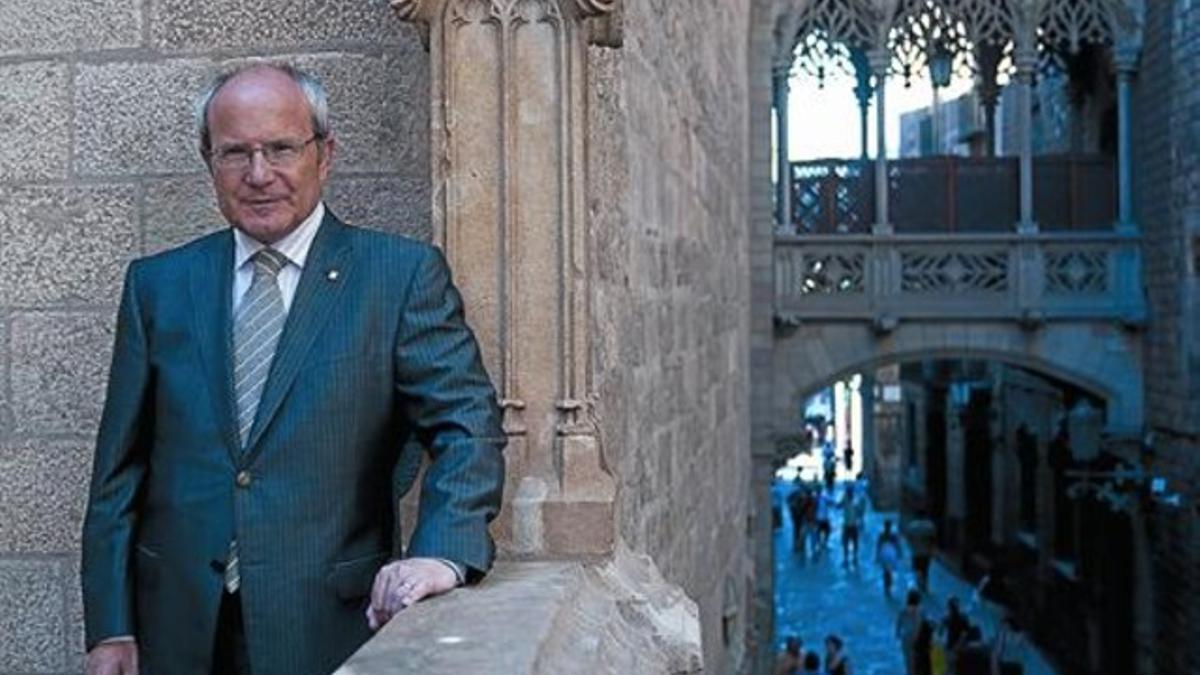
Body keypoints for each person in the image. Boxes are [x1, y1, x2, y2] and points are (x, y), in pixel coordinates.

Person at [81, 63, 506, 675]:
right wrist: (111, 626)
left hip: (326, 626)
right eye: (235, 153)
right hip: (174, 630)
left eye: (281, 148)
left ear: (324, 154)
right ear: (210, 163)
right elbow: (119, 473)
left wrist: (441, 553)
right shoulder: (158, 285)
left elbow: (468, 426)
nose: (259, 175)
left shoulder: (398, 277)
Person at [905, 510, 937, 593]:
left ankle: (919, 583)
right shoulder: (929, 525)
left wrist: (912, 545)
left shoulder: (912, 526)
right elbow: (933, 538)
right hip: (926, 551)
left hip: (916, 551)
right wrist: (931, 548)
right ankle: (924, 584)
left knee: (917, 568)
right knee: (925, 569)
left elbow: (908, 538)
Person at [896, 588, 926, 675]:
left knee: (908, 661)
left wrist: (897, 633)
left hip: (905, 637)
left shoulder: (903, 609)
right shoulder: (920, 611)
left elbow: (899, 622)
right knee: (916, 662)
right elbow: (919, 625)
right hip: (916, 637)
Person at [941, 596, 972, 675]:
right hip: (960, 649)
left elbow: (940, 633)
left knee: (949, 669)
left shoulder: (947, 618)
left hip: (952, 649)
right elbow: (965, 635)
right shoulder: (963, 618)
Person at [839, 482, 866, 568]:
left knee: (854, 543)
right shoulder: (845, 499)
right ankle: (847, 559)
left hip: (853, 525)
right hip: (847, 525)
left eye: (850, 491)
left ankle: (854, 558)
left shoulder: (856, 500)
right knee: (846, 543)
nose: (849, 492)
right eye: (848, 491)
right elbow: (839, 505)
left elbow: (859, 512)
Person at [876, 519, 902, 598]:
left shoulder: (882, 535)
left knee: (886, 572)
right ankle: (889, 586)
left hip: (885, 554)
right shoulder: (893, 535)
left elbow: (878, 545)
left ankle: (887, 586)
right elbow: (897, 545)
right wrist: (899, 553)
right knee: (889, 571)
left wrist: (877, 555)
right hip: (891, 554)